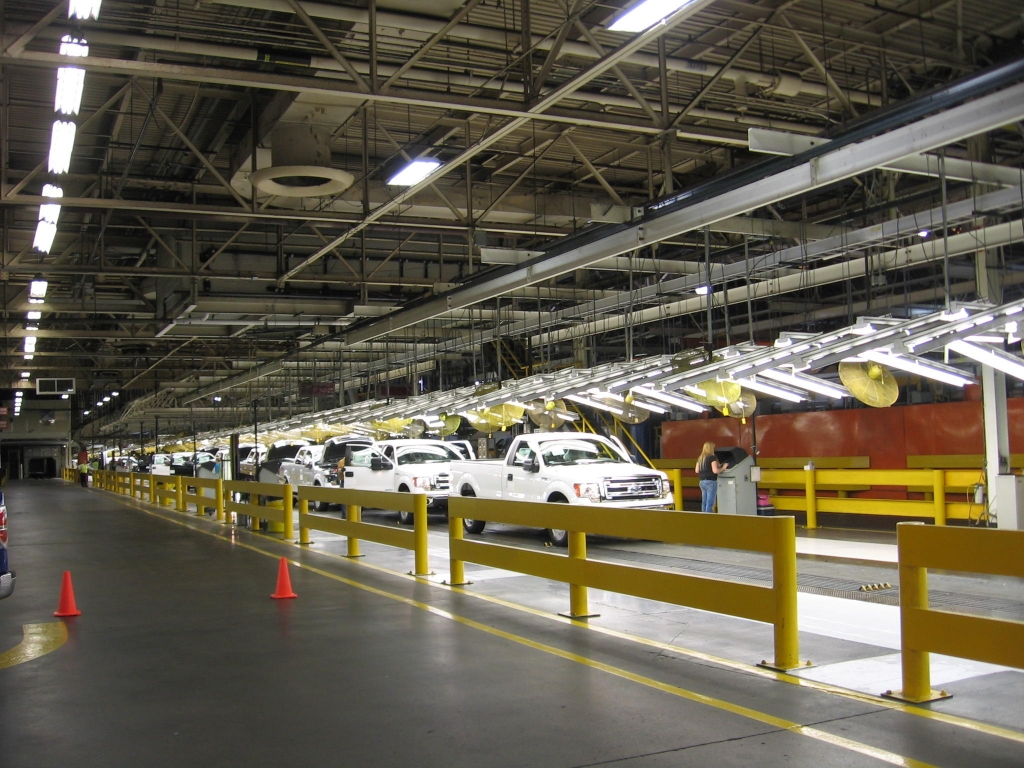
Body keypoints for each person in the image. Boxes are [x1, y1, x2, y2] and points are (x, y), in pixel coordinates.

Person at [695, 442, 728, 513]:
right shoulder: (712, 458)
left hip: (702, 481)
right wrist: (723, 468)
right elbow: (715, 471)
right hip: (711, 481)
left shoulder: (700, 458)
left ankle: (703, 515)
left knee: (704, 501)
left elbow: (697, 470)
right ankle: (709, 516)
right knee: (710, 501)